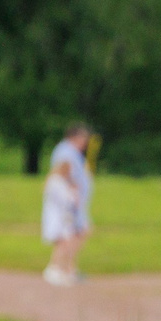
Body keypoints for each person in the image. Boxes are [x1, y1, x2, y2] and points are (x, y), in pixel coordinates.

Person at [40, 121, 92, 286]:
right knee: (68, 239)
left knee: (73, 237)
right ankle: (59, 269)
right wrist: (73, 194)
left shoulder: (71, 153)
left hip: (71, 208)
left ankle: (67, 269)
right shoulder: (65, 153)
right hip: (66, 211)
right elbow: (61, 191)